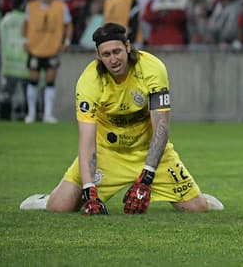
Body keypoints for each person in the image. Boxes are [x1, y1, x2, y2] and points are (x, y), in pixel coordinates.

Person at [19, 23, 224, 214]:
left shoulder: (152, 68)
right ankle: (45, 199)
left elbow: (161, 127)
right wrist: (90, 189)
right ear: (98, 55)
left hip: (148, 152)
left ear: (127, 47)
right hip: (107, 153)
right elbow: (87, 141)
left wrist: (147, 176)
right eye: (106, 54)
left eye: (116, 51)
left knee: (196, 208)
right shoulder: (89, 81)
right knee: (59, 207)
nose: (113, 59)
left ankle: (198, 197)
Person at [23, 0, 73, 123]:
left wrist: (66, 42)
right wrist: (25, 41)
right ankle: (31, 114)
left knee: (50, 81)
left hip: (52, 48)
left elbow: (69, 25)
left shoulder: (61, 7)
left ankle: (48, 114)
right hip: (34, 48)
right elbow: (25, 25)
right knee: (33, 80)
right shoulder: (31, 6)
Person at [0, 0, 30, 120]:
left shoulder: (5, 20)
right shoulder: (27, 20)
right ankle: (28, 117)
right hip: (24, 64)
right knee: (27, 93)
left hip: (8, 64)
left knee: (6, 93)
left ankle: (4, 117)